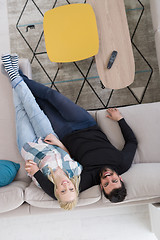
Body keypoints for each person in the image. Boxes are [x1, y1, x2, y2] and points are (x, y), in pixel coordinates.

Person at [18, 64, 138, 203]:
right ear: (121, 178)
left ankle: (17, 79)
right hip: (85, 123)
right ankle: (17, 76)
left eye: (106, 183)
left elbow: (56, 194)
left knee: (40, 104)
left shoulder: (87, 180)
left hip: (64, 133)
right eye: (114, 180)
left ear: (101, 186)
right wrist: (120, 120)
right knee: (53, 96)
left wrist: (36, 173)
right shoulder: (123, 163)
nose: (107, 176)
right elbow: (132, 141)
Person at [1, 53, 83, 210]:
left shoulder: (43, 182)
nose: (66, 186)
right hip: (48, 138)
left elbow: (31, 169)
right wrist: (58, 142)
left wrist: (31, 168)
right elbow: (68, 154)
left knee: (20, 111)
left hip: (29, 145)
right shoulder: (75, 171)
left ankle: (13, 72)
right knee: (32, 106)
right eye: (71, 189)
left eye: (63, 191)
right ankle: (12, 72)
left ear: (57, 192)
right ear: (75, 188)